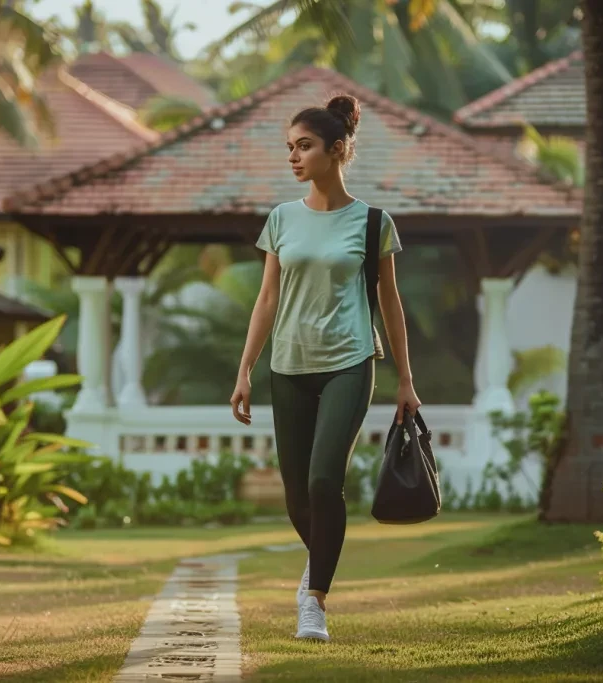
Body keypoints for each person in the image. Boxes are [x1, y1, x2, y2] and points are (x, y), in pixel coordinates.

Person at [229, 93, 421, 642]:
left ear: (337, 150)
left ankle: (315, 600)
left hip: (349, 363)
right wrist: (245, 369)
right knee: (296, 494)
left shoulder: (373, 223)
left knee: (322, 480)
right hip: (288, 366)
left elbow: (390, 304)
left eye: (304, 146)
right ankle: (319, 567)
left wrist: (406, 379)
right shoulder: (282, 218)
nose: (293, 157)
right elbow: (266, 299)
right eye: (289, 148)